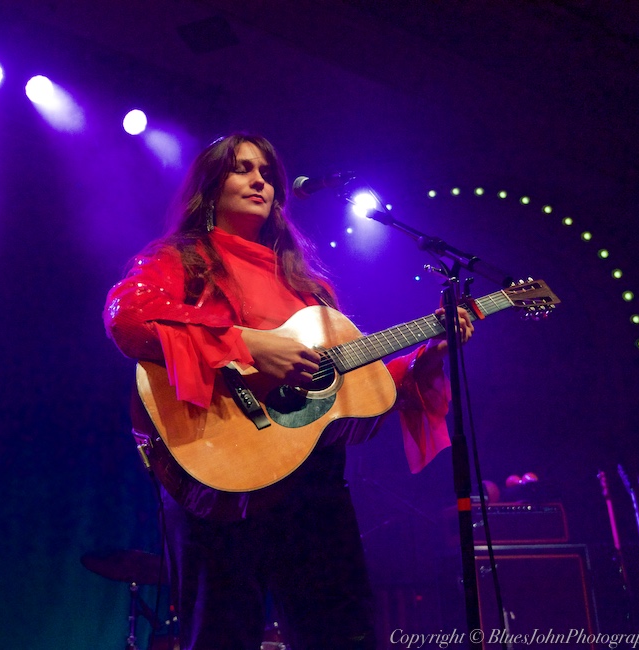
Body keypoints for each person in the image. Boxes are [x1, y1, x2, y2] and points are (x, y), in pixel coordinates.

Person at [103, 133, 473, 649]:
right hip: (221, 471)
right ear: (209, 190)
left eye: (266, 172)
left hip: (314, 483)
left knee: (343, 635)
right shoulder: (180, 259)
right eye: (241, 169)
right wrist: (247, 344)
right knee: (221, 634)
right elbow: (129, 317)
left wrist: (425, 354)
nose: (260, 180)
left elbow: (351, 389)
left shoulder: (308, 287)